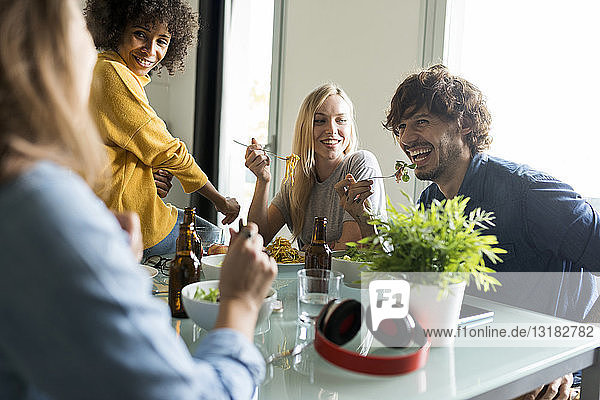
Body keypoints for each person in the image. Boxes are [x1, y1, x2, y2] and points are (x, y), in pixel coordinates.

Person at [0, 1, 276, 399]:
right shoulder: (41, 204)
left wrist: (111, 265)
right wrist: (239, 304)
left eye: (162, 40)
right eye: (77, 25)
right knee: (209, 239)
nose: (89, 40)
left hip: (133, 232)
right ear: (47, 56)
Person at [364, 64, 600, 400]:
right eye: (401, 127)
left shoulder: (529, 193)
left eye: (421, 122)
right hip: (475, 368)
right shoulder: (430, 203)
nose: (405, 138)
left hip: (547, 381)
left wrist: (568, 355)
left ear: (466, 124)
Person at [84, 0, 240, 258]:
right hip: (128, 222)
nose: (150, 50)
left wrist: (148, 174)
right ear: (117, 28)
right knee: (216, 237)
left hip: (117, 211)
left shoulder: (108, 71)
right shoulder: (112, 74)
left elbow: (131, 148)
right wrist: (219, 201)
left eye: (162, 41)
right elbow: (169, 150)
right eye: (140, 34)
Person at [244, 83, 387, 250]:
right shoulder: (295, 183)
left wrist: (314, 249)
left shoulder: (360, 163)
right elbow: (257, 237)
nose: (332, 130)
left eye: (340, 120)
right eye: (320, 121)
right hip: (312, 276)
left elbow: (350, 247)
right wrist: (263, 180)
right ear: (305, 128)